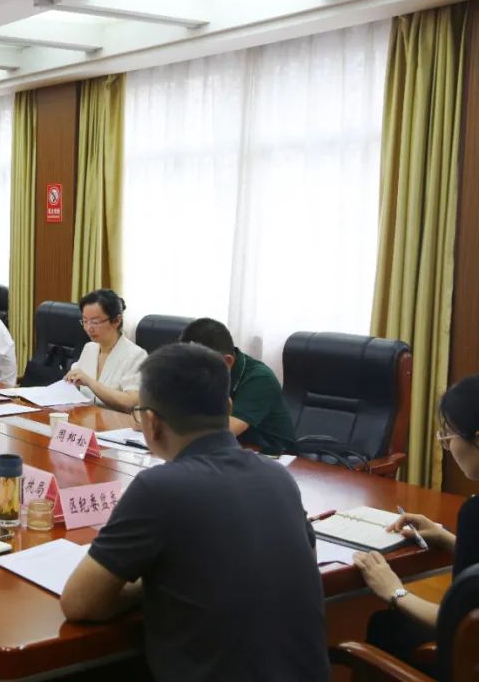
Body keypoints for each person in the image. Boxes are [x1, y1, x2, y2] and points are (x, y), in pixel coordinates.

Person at [61, 343, 328, 681]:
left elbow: (80, 603)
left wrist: (151, 584)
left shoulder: (158, 488)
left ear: (150, 422)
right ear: (227, 407)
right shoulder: (278, 477)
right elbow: (300, 559)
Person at [353, 375, 479, 670]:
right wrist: (447, 538)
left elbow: (462, 621)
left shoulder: (474, 514)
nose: (448, 447)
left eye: (449, 436)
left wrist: (394, 591)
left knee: (385, 624)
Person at [179, 317, 295, 454]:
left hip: (274, 455)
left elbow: (223, 432)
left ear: (227, 361)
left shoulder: (260, 378)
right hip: (227, 450)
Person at [64, 290, 146, 410]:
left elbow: (131, 402)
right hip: (86, 417)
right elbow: (74, 386)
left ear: (116, 321)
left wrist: (90, 382)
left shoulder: (136, 355)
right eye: (85, 321)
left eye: (95, 322)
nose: (89, 328)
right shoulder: (89, 348)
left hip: (116, 420)